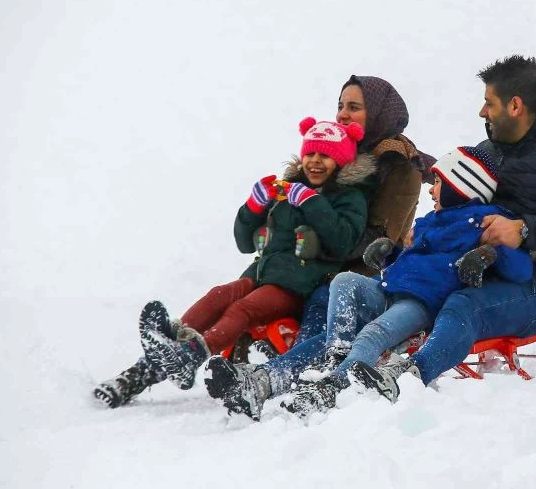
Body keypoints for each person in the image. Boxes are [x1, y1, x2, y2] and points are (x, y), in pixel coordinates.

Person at [349, 55, 536, 403]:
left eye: (489, 103)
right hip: (461, 271)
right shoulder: (489, 151)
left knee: (463, 305)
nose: (482, 112)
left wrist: (523, 230)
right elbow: (454, 195)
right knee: (369, 290)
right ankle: (315, 370)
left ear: (515, 105)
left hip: (533, 286)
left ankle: (406, 377)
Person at [93, 117, 373, 407]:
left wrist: (311, 202)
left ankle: (192, 354)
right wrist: (252, 208)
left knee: (243, 309)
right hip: (261, 273)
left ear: (340, 160)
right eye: (310, 153)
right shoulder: (288, 189)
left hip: (298, 284)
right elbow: (243, 242)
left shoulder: (349, 197)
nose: (315, 161)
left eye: (325, 155)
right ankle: (150, 363)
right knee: (218, 295)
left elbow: (343, 241)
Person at [278, 146, 535, 417]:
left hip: (421, 303)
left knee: (372, 334)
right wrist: (391, 253)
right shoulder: (431, 222)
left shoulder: (487, 223)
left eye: (438, 182)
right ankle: (337, 357)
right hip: (390, 289)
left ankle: (334, 388)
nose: (431, 190)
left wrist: (489, 254)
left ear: (461, 187)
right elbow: (416, 262)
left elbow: (522, 269)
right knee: (344, 281)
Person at [289, 75, 433, 344]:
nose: (342, 115)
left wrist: (318, 248)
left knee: (321, 295)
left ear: (379, 113)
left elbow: (380, 239)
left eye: (354, 107)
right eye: (340, 106)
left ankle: (298, 366)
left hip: (365, 272)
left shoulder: (398, 165)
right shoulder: (333, 151)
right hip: (324, 260)